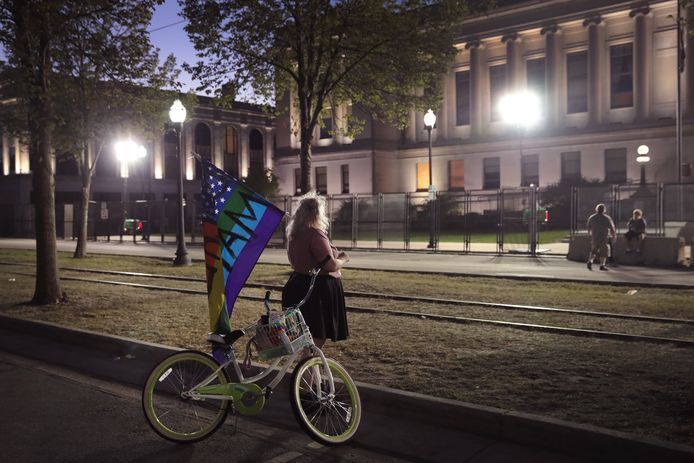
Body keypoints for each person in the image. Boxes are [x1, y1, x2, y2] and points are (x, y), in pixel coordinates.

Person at [281, 192, 349, 348]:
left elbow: (293, 261)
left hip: (297, 284)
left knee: (304, 335)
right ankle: (309, 369)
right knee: (318, 335)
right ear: (318, 213)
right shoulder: (316, 235)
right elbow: (330, 265)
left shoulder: (294, 235)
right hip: (317, 290)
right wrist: (344, 258)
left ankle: (307, 368)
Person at [586, 203, 616, 271]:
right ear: (604, 210)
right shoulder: (607, 218)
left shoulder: (592, 217)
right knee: (603, 252)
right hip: (604, 237)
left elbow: (588, 227)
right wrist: (614, 236)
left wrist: (589, 234)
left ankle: (590, 261)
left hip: (595, 237)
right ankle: (602, 265)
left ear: (596, 209)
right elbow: (612, 228)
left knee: (593, 250)